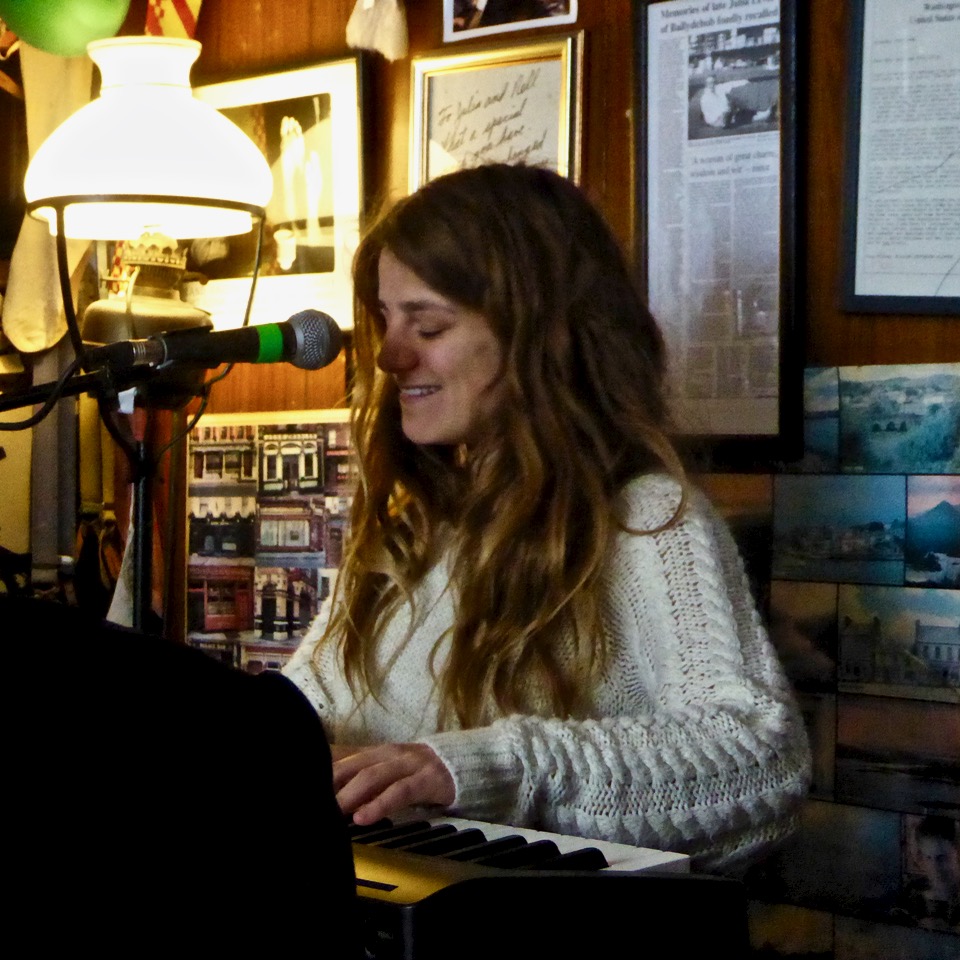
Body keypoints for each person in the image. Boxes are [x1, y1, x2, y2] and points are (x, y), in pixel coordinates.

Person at [284, 162, 811, 873]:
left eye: (428, 324)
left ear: (541, 335)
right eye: (386, 318)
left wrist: (489, 767)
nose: (389, 354)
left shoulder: (648, 520)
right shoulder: (412, 533)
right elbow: (304, 712)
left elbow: (760, 758)